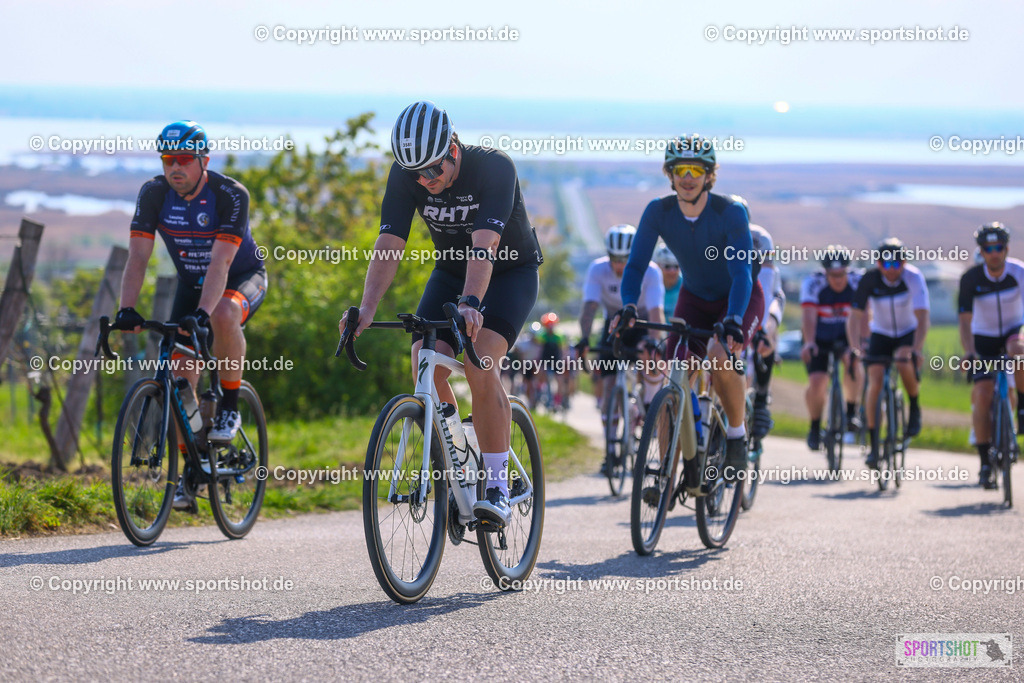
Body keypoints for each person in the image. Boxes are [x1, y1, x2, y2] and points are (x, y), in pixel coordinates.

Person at [341, 101, 543, 529]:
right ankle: (459, 456)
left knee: (479, 359)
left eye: (433, 170)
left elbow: (484, 246)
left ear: (454, 147)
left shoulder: (494, 168)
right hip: (451, 271)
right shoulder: (407, 172)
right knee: (423, 364)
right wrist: (367, 308)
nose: (425, 181)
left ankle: (495, 486)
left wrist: (472, 303)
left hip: (509, 272)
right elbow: (390, 244)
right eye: (416, 173)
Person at [117, 121, 267, 511]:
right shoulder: (153, 193)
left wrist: (201, 313)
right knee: (181, 377)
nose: (175, 168)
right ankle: (192, 470)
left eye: (184, 159)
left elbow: (221, 262)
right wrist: (126, 309)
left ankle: (230, 407)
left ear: (204, 160)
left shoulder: (229, 195)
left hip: (240, 276)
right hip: (192, 284)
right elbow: (137, 257)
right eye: (168, 160)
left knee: (221, 313)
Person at [617, 134, 763, 483]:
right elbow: (636, 265)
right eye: (680, 168)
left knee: (718, 353)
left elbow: (742, 272)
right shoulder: (658, 211)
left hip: (738, 297)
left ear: (709, 175)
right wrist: (628, 305)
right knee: (677, 376)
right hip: (694, 298)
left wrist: (733, 321)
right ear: (669, 173)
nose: (687, 176)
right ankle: (665, 474)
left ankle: (737, 437)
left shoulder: (730, 211)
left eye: (696, 169)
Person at [578, 224, 665, 454]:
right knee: (608, 386)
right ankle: (610, 449)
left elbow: (657, 311)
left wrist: (654, 341)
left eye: (625, 258)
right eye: (614, 258)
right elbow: (589, 308)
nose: (620, 265)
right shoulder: (597, 270)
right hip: (614, 324)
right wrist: (585, 339)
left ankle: (648, 402)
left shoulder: (651, 271)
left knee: (650, 355)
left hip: (644, 322)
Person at [848, 237, 929, 469]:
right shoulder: (869, 279)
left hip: (907, 332)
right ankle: (874, 446)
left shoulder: (913, 277)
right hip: (881, 333)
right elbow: (854, 317)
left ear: (904, 263)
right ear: (878, 263)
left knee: (904, 360)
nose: (891, 269)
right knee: (874, 383)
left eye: (896, 264)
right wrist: (854, 346)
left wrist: (917, 348)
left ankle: (914, 407)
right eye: (886, 264)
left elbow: (923, 317)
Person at [957, 222, 1024, 489]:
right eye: (988, 249)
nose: (994, 253)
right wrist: (969, 351)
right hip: (982, 339)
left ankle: (1022, 408)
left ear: (1006, 249)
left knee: (1018, 351)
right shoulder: (970, 279)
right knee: (983, 396)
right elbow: (964, 320)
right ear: (981, 252)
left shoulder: (1019, 272)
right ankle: (985, 462)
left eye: (999, 248)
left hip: (1013, 331)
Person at [729, 195, 784, 438]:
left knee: (766, 336)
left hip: (766, 295)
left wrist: (761, 329)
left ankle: (761, 399)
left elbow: (766, 286)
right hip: (734, 295)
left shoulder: (759, 238)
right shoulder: (712, 239)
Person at [800, 245, 864, 450]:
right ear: (825, 272)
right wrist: (809, 342)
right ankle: (815, 426)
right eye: (832, 274)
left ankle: (851, 412)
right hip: (819, 338)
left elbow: (865, 317)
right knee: (818, 382)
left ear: (847, 270)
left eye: (841, 273)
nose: (837, 279)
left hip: (847, 338)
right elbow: (808, 317)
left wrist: (861, 345)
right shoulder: (812, 284)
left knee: (853, 362)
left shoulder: (858, 282)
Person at [653, 243, 682, 316]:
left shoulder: (687, 285)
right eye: (667, 266)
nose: (672, 271)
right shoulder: (650, 284)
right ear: (658, 266)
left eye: (676, 266)